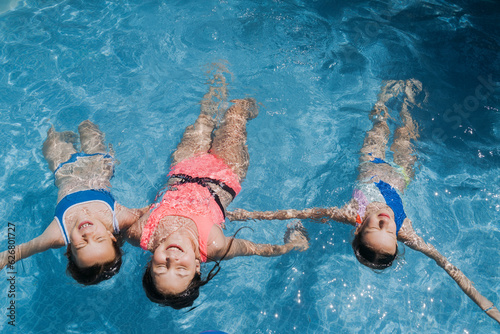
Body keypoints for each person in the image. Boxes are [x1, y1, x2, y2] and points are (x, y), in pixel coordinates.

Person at [226, 80, 500, 324]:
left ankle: (382, 100)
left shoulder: (351, 213)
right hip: (402, 171)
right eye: (390, 232)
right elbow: (449, 266)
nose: (386, 222)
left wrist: (249, 215)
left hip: (372, 160)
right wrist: (488, 307)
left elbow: (298, 212)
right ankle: (407, 103)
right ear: (398, 238)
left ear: (358, 229)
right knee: (406, 134)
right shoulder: (407, 231)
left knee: (379, 127)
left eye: (375, 228)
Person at [126, 82, 309, 310]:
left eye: (162, 267)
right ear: (197, 266)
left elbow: (114, 219)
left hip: (183, 167)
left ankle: (218, 72)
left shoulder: (140, 233)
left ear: (149, 264)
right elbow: (250, 248)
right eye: (181, 269)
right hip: (224, 174)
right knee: (236, 114)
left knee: (205, 115)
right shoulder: (214, 245)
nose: (171, 260)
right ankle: (262, 89)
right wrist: (289, 247)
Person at [0, 120, 148, 285]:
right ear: (110, 236)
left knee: (51, 140)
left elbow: (21, 251)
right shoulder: (117, 218)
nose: (88, 235)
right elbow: (151, 211)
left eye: (81, 245)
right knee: (88, 128)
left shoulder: (58, 234)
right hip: (98, 164)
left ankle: (51, 119)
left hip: (65, 169)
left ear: (69, 250)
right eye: (98, 239)